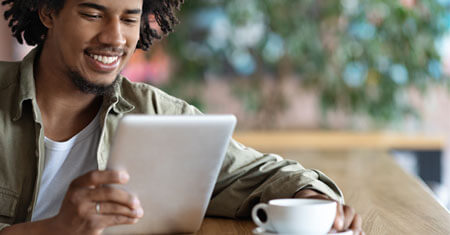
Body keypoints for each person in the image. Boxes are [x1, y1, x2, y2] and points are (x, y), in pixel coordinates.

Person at [0, 0, 363, 234]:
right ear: (48, 11)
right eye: (92, 14)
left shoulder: (154, 113)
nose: (115, 37)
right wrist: (58, 228)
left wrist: (314, 197)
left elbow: (264, 174)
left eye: (130, 18)